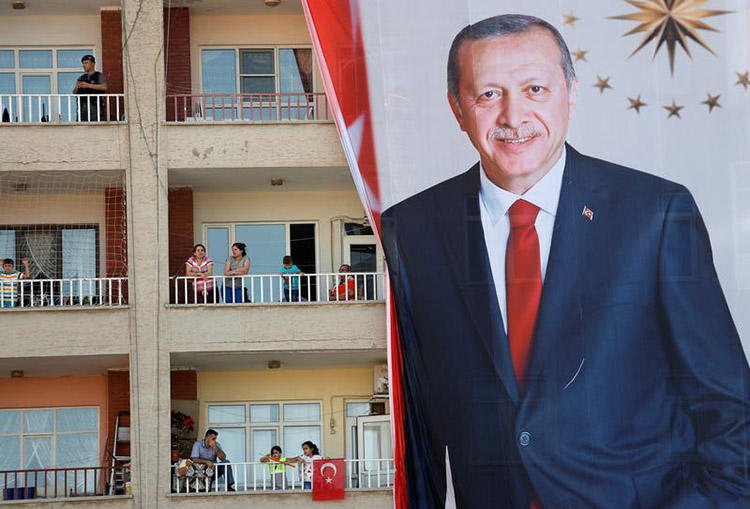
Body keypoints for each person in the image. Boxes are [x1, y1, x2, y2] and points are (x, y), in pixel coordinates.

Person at [380, 14, 750, 509]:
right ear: (457, 109)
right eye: (488, 94)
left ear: (570, 95)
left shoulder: (655, 214)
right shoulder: (412, 230)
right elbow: (418, 424)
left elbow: (728, 408)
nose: (513, 116)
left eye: (535, 88)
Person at [72, 55, 107, 122]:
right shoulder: (81, 78)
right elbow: (74, 93)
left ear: (93, 64)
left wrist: (88, 85)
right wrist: (76, 87)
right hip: (82, 108)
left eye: (86, 63)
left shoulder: (99, 75)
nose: (84, 65)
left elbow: (104, 87)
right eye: (83, 63)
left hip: (95, 107)